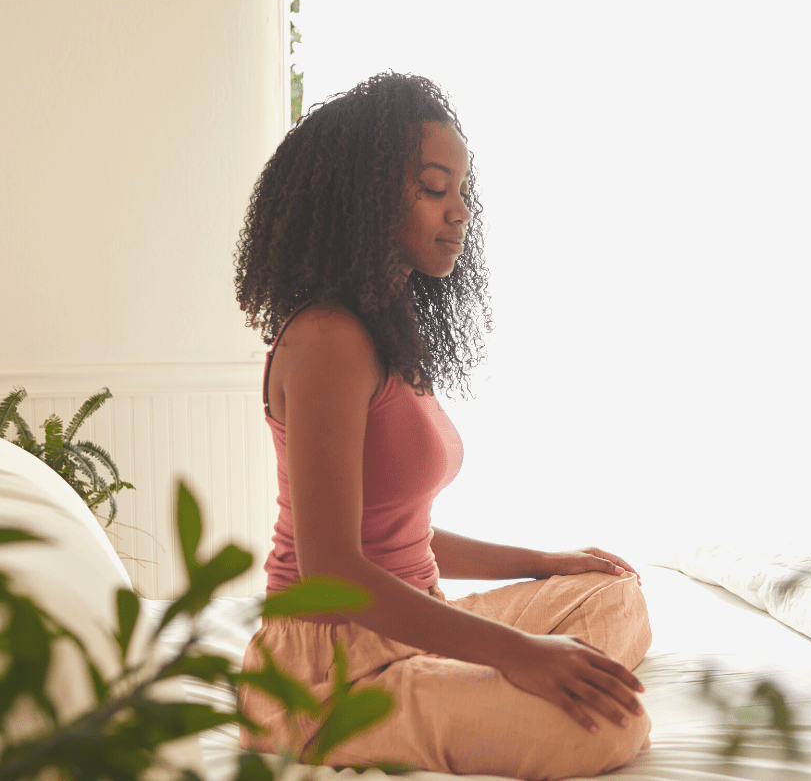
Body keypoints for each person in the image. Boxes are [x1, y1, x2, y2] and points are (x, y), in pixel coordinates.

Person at [232, 71, 651, 780]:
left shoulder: (383, 329)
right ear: (360, 200)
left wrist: (542, 562)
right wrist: (516, 653)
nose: (459, 212)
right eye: (433, 188)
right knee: (614, 725)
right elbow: (334, 566)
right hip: (329, 670)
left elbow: (402, 533)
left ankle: (469, 675)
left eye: (462, 190)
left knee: (615, 590)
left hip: (409, 622)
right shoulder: (329, 339)